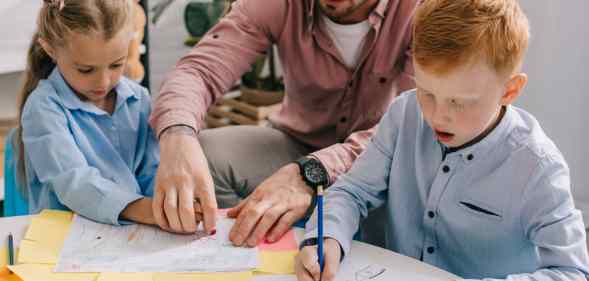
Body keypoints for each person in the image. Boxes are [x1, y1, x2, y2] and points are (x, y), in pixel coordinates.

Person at [295, 0, 589, 280]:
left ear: (509, 91)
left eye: (460, 102)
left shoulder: (539, 167)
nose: (438, 116)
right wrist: (327, 237)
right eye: (426, 92)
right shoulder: (404, 113)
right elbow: (352, 191)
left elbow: (572, 273)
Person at [150, 0, 419, 245]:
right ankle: (246, 255)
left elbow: (411, 123)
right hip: (297, 144)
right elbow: (199, 71)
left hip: (377, 164)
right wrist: (177, 135)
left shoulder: (421, 10)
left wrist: (311, 173)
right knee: (206, 152)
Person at [17, 0, 160, 226]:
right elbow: (75, 184)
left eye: (116, 65)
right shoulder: (43, 108)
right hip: (65, 240)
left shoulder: (139, 99)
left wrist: (169, 203)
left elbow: (153, 171)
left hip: (134, 235)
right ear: (50, 49)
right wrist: (147, 210)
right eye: (86, 70)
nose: (103, 82)